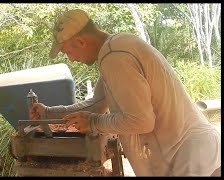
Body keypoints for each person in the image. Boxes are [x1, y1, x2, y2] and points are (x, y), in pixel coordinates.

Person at [29, 9, 221, 176]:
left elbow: (141, 121)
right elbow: (95, 103)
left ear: (80, 41)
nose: (70, 59)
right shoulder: (116, 48)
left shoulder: (115, 57)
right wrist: (48, 112)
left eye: (67, 52)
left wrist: (94, 122)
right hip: (198, 153)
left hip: (189, 161)